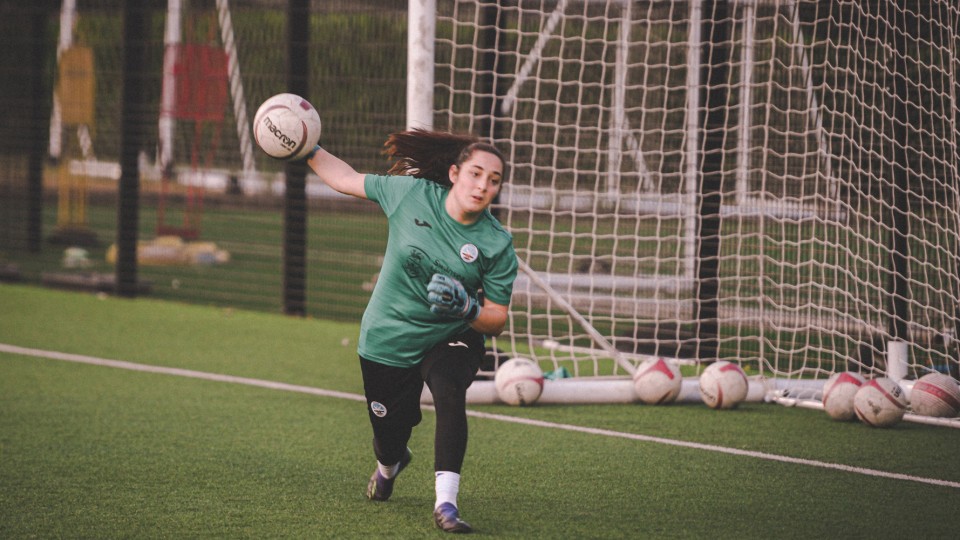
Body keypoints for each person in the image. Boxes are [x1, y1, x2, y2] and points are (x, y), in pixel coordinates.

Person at [305, 129, 518, 533]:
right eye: (475, 174)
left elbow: (496, 319)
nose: (483, 185)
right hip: (387, 339)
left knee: (449, 390)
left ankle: (446, 504)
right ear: (454, 173)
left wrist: (468, 308)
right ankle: (390, 464)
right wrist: (306, 148)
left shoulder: (496, 244)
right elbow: (344, 178)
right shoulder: (410, 195)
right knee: (389, 436)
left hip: (450, 334)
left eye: (493, 180)